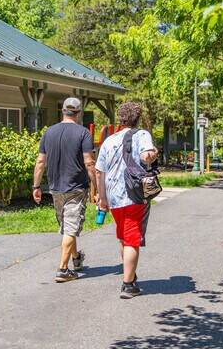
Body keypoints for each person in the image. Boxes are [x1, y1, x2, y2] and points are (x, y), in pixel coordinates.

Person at [95, 102, 158, 299]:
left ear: (120, 120)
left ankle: (130, 274)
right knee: (132, 238)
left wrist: (102, 197)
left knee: (124, 236)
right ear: (138, 118)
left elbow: (99, 172)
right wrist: (153, 152)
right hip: (133, 193)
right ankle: (128, 284)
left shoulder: (109, 140)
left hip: (113, 196)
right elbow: (146, 157)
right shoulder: (142, 135)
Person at [32, 97, 97, 282]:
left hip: (55, 188)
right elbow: (89, 163)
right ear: (78, 113)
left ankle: (76, 258)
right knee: (70, 227)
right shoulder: (83, 133)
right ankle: (63, 270)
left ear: (62, 111)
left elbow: (40, 162)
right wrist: (98, 188)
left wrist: (36, 186)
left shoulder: (48, 132)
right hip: (76, 188)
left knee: (68, 224)